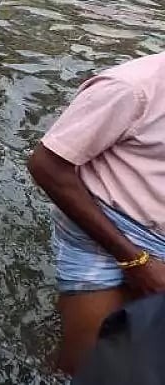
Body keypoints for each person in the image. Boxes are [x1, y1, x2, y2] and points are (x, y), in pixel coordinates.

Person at [26, 52, 165, 376]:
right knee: (89, 366)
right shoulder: (132, 87)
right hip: (109, 229)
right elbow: (46, 165)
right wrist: (136, 260)